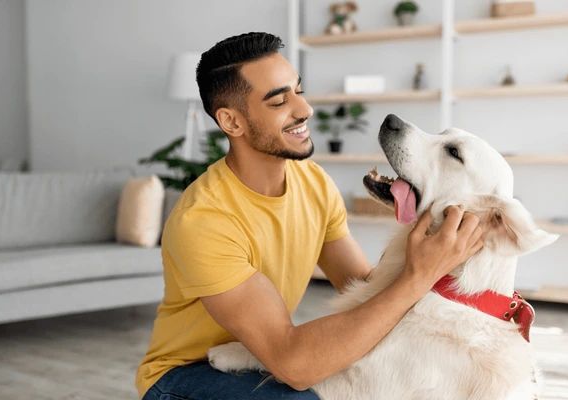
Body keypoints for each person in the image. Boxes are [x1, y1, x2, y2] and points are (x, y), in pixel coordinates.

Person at [136, 32, 483, 400]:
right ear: (231, 122)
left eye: (298, 91)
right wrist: (419, 274)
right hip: (182, 377)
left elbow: (363, 288)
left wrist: (439, 261)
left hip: (262, 354)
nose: (304, 110)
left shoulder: (312, 181)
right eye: (278, 101)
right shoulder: (204, 220)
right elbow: (294, 365)